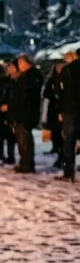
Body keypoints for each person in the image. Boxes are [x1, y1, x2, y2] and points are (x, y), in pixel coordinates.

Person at [4, 54, 44, 174]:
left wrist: (10, 106)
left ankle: (27, 164)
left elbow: (21, 95)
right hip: (24, 111)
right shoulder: (29, 76)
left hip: (25, 112)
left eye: (20, 64)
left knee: (24, 139)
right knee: (23, 138)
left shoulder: (29, 77)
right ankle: (25, 162)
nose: (19, 66)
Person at [57, 50, 80, 181]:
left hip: (70, 109)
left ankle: (69, 171)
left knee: (69, 141)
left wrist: (61, 109)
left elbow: (61, 91)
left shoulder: (68, 70)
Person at [43, 63, 65, 167]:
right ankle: (56, 148)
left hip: (62, 109)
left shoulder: (66, 79)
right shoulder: (52, 80)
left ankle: (62, 157)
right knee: (55, 131)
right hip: (53, 109)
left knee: (61, 133)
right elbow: (46, 93)